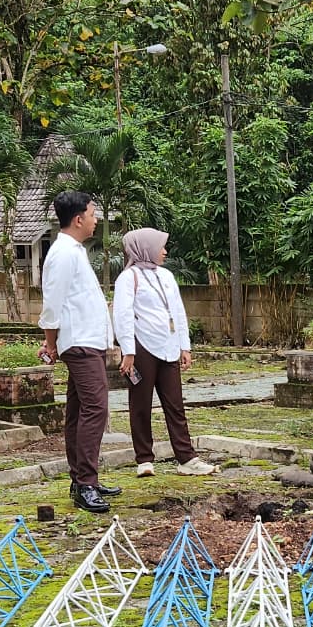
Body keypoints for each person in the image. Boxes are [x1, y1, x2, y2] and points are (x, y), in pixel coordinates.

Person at [39, 190, 122, 513]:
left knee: (78, 411)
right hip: (80, 344)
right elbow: (52, 304)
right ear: (78, 219)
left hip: (87, 341)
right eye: (92, 213)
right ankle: (86, 482)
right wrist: (50, 342)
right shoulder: (63, 254)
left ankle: (82, 479)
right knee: (96, 410)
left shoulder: (73, 251)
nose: (95, 218)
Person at [112, 227, 215, 478]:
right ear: (145, 248)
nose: (165, 251)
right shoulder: (128, 277)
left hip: (168, 346)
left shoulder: (167, 276)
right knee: (140, 404)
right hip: (141, 347)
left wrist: (185, 345)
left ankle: (186, 458)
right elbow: (122, 315)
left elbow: (178, 311)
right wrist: (128, 351)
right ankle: (144, 459)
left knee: (175, 404)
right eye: (160, 247)